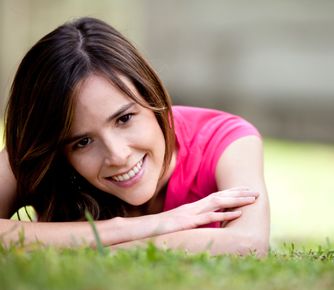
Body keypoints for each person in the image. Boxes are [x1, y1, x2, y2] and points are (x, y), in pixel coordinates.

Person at [0, 17, 269, 256]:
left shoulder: (224, 140)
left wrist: (90, 246)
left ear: (152, 97)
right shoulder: (41, 157)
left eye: (124, 119)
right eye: (82, 142)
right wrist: (141, 226)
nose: (117, 155)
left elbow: (248, 243)